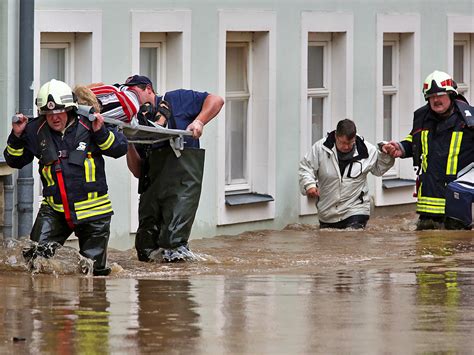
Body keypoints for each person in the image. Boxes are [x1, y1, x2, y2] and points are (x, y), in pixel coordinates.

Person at [3, 79, 128, 275]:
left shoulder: (90, 124)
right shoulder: (35, 131)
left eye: (59, 112)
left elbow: (119, 148)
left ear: (70, 109)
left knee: (94, 273)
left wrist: (101, 132)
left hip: (93, 213)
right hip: (55, 211)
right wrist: (16, 136)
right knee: (35, 260)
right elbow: (14, 160)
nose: (54, 117)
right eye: (49, 113)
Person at [123, 75, 224, 262]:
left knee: (173, 246)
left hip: (182, 185)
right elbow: (138, 171)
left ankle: (177, 286)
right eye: (128, 96)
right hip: (152, 188)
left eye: (135, 94)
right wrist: (127, 142)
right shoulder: (137, 123)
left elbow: (216, 100)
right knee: (145, 247)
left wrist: (199, 121)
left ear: (149, 89)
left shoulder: (176, 99)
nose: (133, 100)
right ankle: (149, 290)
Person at [383, 70, 474, 230]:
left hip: (457, 203)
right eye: (431, 96)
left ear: (451, 94)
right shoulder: (422, 117)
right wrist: (400, 148)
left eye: (440, 94)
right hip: (428, 201)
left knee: (456, 247)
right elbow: (415, 142)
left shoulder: (469, 120)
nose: (436, 99)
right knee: (426, 248)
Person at [299, 118, 394, 229]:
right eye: (342, 142)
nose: (346, 147)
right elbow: (306, 168)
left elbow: (379, 169)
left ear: (354, 138)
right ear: (336, 136)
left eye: (350, 143)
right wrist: (309, 185)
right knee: (328, 244)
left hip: (356, 209)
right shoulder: (320, 149)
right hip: (327, 211)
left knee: (352, 240)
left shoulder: (366, 150)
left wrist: (386, 154)